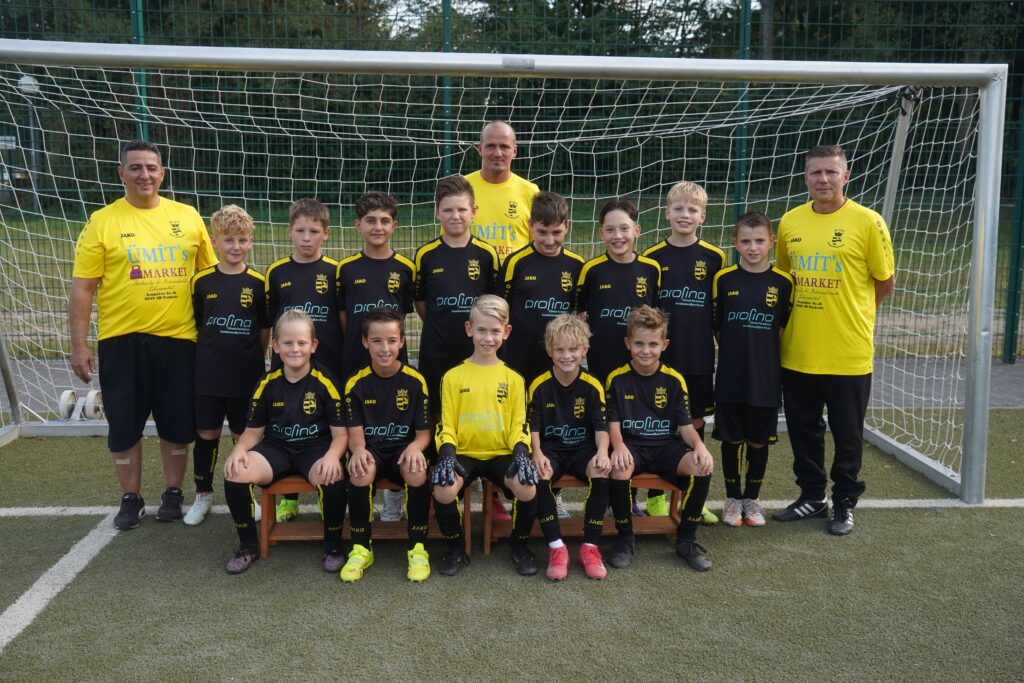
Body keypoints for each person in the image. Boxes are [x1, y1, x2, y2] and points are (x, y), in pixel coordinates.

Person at [69, 140, 217, 530]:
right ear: (121, 173)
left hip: (179, 341)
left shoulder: (187, 217)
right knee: (124, 424)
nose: (144, 174)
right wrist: (79, 344)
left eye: (151, 167)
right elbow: (83, 287)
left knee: (176, 424)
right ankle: (130, 498)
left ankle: (173, 493)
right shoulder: (102, 221)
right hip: (122, 341)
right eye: (135, 167)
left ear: (162, 173)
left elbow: (211, 280)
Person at [772, 145, 896, 535]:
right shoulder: (790, 222)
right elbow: (783, 279)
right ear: (805, 178)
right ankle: (811, 495)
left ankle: (844, 501)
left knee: (847, 433)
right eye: (815, 173)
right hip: (798, 350)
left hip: (848, 351)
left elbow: (885, 281)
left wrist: (852, 312)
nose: (823, 179)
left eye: (830, 172)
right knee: (803, 428)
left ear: (846, 176)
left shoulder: (868, 221)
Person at [221, 310, 348, 575]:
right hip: (276, 450)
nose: (295, 349)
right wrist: (240, 449)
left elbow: (341, 435)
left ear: (313, 345)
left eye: (302, 343)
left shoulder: (326, 382)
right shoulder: (267, 384)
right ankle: (248, 546)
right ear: (276, 346)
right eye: (288, 343)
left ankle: (333, 547)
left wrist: (332, 456)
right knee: (235, 472)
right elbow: (253, 432)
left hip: (315, 449)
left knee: (333, 476)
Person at [430, 295, 539, 577]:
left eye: (494, 331)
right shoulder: (453, 376)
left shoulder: (514, 379)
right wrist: (446, 453)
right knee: (443, 491)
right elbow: (447, 425)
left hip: (501, 454)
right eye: (481, 330)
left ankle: (519, 546)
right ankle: (455, 548)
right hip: (465, 454)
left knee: (528, 488)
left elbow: (519, 424)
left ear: (506, 332)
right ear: (469, 329)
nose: (487, 337)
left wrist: (520, 451)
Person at [605, 305, 715, 571]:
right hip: (632, 446)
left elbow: (686, 427)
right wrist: (618, 446)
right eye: (639, 343)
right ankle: (625, 538)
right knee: (619, 469)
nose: (646, 350)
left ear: (664, 345)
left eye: (653, 344)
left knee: (702, 466)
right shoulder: (616, 379)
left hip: (666, 447)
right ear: (628, 343)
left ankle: (687, 540)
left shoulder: (674, 380)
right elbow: (613, 422)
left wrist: (700, 446)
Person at [642, 181, 725, 522]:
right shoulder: (652, 258)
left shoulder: (714, 258)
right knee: (660, 423)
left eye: (692, 210)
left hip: (699, 358)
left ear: (703, 216)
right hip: (661, 361)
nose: (685, 215)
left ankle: (692, 495)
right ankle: (656, 497)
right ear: (667, 213)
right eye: (678, 208)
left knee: (693, 423)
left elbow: (719, 311)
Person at [185, 204, 271, 526]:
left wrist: (252, 361)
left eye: (243, 240)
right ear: (214, 241)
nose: (236, 247)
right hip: (207, 375)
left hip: (246, 377)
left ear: (250, 242)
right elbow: (196, 325)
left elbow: (264, 330)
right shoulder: (201, 282)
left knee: (243, 436)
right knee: (206, 434)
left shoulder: (259, 283)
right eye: (229, 240)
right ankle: (202, 496)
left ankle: (246, 494)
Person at [336, 191, 416, 523]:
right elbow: (343, 318)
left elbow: (412, 312)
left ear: (394, 225)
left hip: (393, 362)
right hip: (356, 360)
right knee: (357, 426)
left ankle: (394, 495)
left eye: (384, 221)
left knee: (396, 424)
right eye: (370, 220)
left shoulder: (405, 268)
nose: (378, 226)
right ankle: (357, 492)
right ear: (357, 225)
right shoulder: (345, 268)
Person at [711, 212, 793, 527]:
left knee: (758, 440)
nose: (753, 247)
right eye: (745, 241)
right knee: (731, 439)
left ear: (771, 242)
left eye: (759, 241)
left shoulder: (783, 282)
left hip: (765, 377)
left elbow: (782, 327)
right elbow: (718, 326)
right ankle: (732, 498)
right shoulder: (723, 279)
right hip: (731, 375)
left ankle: (753, 499)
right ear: (735, 243)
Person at [265, 198, 344, 523]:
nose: (307, 237)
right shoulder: (276, 272)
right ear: (290, 232)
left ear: (325, 233)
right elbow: (270, 322)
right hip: (287, 368)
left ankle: (328, 488)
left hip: (326, 365)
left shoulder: (335, 272)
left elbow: (341, 320)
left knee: (325, 427)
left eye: (314, 231)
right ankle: (289, 497)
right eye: (300, 231)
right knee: (286, 425)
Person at [341, 308, 432, 583]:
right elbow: (355, 434)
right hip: (373, 451)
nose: (385, 348)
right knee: (360, 469)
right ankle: (361, 547)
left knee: (417, 469)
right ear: (365, 342)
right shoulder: (356, 384)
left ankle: (418, 547)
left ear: (402, 342)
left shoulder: (415, 381)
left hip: (403, 452)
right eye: (377, 341)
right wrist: (358, 451)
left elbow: (424, 433)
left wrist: (416, 447)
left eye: (392, 340)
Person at [528, 314, 617, 580]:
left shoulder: (593, 385)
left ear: (584, 350)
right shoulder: (539, 385)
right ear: (549, 350)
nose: (567, 356)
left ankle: (590, 547)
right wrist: (537, 452)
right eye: (560, 349)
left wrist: (602, 452)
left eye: (573, 349)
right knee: (539, 474)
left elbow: (602, 429)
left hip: (582, 450)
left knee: (601, 470)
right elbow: (532, 427)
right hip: (551, 450)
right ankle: (557, 547)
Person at [414, 175, 500, 413]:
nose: (455, 215)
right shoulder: (426, 255)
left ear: (473, 211)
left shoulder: (487, 254)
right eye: (448, 210)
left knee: (475, 405)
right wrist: (439, 321)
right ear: (437, 212)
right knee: (435, 407)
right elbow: (420, 300)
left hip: (476, 347)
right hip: (437, 348)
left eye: (462, 209)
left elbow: (494, 302)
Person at [500, 191, 585, 386]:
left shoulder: (577, 265)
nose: (549, 240)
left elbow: (579, 312)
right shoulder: (516, 263)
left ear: (567, 227)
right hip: (520, 354)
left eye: (556, 233)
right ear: (530, 226)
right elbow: (501, 309)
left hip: (560, 358)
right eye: (542, 232)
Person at [576, 198, 661, 386]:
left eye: (624, 228)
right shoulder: (592, 270)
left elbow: (657, 315)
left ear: (637, 231)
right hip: (602, 357)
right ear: (601, 233)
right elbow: (579, 312)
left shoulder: (651, 269)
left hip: (640, 358)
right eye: (610, 230)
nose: (617, 236)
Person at [465, 120, 540, 261]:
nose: (498, 153)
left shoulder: (531, 192)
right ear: (480, 149)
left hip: (515, 279)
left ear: (514, 151)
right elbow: (449, 240)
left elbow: (538, 245)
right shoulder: (462, 187)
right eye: (491, 146)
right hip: (470, 278)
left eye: (504, 147)